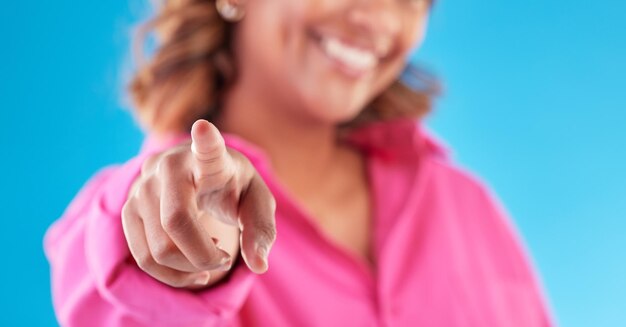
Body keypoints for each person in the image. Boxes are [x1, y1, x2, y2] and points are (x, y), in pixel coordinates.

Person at [44, 0, 553, 325]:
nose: (378, 18)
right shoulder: (139, 208)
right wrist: (188, 249)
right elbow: (120, 286)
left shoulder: (463, 203)